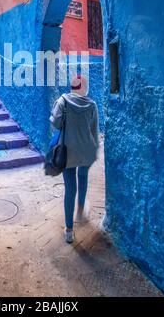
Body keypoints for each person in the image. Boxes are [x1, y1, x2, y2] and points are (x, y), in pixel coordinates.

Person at [49, 74, 99, 243]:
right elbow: (94, 131)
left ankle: (69, 230)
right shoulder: (92, 105)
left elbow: (55, 123)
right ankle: (80, 210)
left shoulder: (62, 101)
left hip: (68, 151)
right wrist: (95, 151)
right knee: (83, 178)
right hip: (86, 151)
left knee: (70, 187)